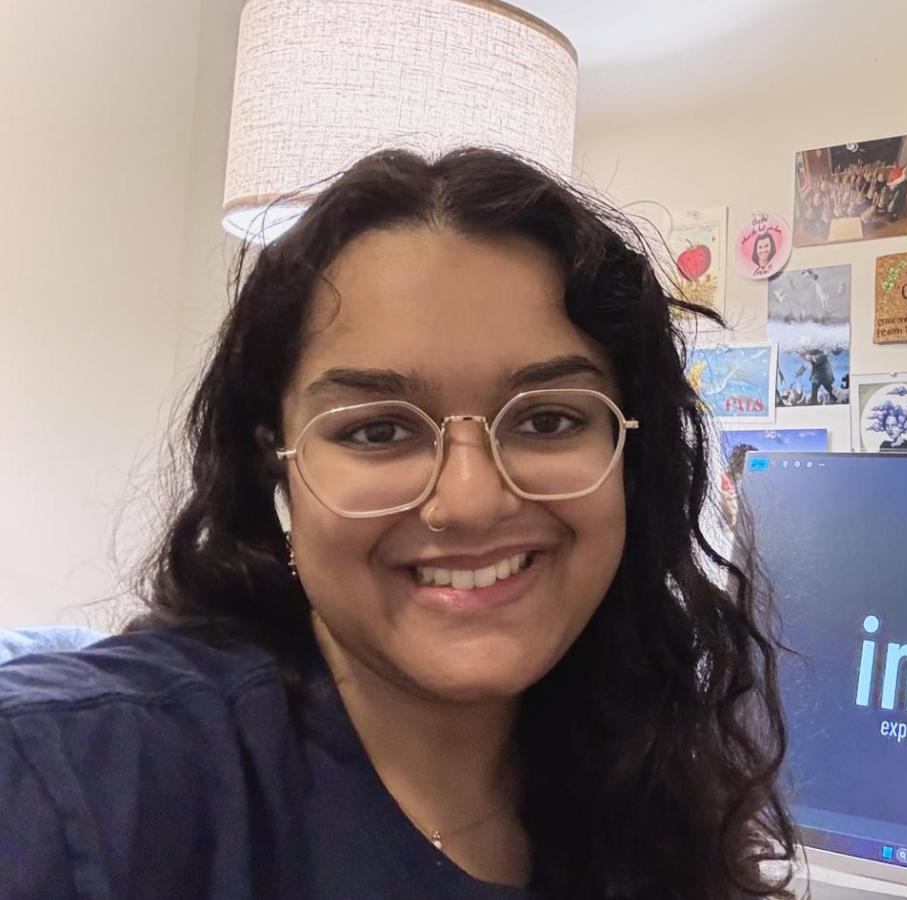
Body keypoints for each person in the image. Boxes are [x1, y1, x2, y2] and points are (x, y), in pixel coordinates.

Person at [0, 148, 797, 898]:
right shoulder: (77, 778)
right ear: (277, 465)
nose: (471, 501)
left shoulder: (658, 784)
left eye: (549, 420)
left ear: (631, 455)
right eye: (378, 430)